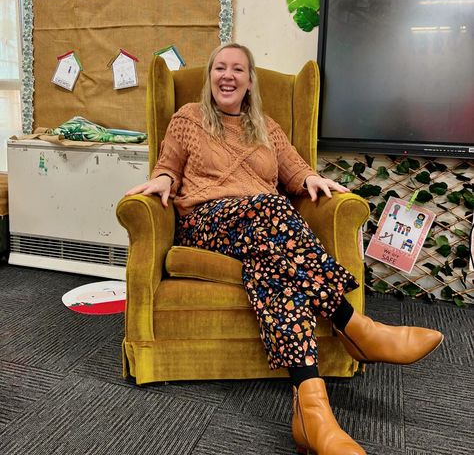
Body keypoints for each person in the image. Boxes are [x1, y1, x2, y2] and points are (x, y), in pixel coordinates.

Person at [126, 43, 443, 455]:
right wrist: (164, 181)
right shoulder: (188, 118)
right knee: (273, 207)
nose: (227, 75)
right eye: (219, 68)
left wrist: (313, 180)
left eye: (237, 69)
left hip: (263, 229)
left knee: (274, 270)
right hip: (207, 222)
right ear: (209, 79)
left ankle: (312, 412)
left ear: (250, 80)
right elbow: (167, 166)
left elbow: (296, 169)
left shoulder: (266, 126)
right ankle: (353, 325)